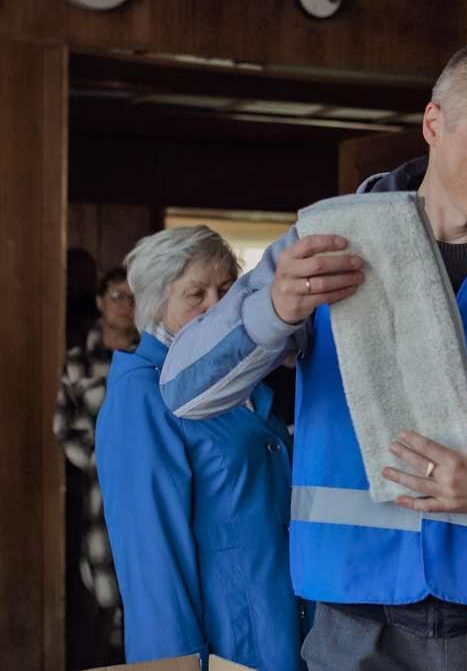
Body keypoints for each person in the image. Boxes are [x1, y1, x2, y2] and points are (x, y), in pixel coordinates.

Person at [158, 42, 467, 671]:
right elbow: (184, 389)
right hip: (353, 620)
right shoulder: (325, 241)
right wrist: (272, 309)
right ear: (434, 125)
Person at [96, 227, 301, 670]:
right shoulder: (143, 394)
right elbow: (151, 554)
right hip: (228, 631)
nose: (216, 305)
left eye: (227, 290)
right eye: (196, 294)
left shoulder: (242, 374)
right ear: (157, 304)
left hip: (284, 617)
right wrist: (177, 662)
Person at [55, 266, 138, 667]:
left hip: (146, 480)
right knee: (99, 586)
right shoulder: (77, 363)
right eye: (117, 296)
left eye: (132, 298)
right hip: (97, 486)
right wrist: (103, 461)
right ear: (100, 302)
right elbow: (65, 428)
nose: (125, 306)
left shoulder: (152, 357)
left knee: (144, 579)